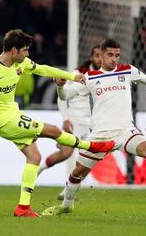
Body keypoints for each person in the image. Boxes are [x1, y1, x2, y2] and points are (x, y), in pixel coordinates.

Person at [0, 29, 115, 218]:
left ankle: (23, 207)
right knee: (53, 130)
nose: (27, 54)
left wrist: (71, 76)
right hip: (3, 120)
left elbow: (44, 69)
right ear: (14, 50)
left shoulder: (21, 63)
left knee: (34, 157)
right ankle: (91, 146)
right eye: (25, 50)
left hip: (14, 114)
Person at [42, 38, 146, 216]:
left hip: (125, 131)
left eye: (117, 55)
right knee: (77, 173)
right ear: (101, 56)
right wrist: (60, 87)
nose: (114, 59)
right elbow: (65, 97)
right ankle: (66, 205)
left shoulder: (127, 71)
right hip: (100, 135)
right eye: (110, 55)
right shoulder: (89, 78)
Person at [38, 45, 101, 199]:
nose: (100, 58)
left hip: (92, 123)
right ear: (92, 57)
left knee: (88, 159)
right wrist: (65, 119)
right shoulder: (77, 74)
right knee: (66, 153)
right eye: (97, 55)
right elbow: (62, 98)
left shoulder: (106, 77)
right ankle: (38, 169)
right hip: (74, 120)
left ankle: (68, 190)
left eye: (102, 55)